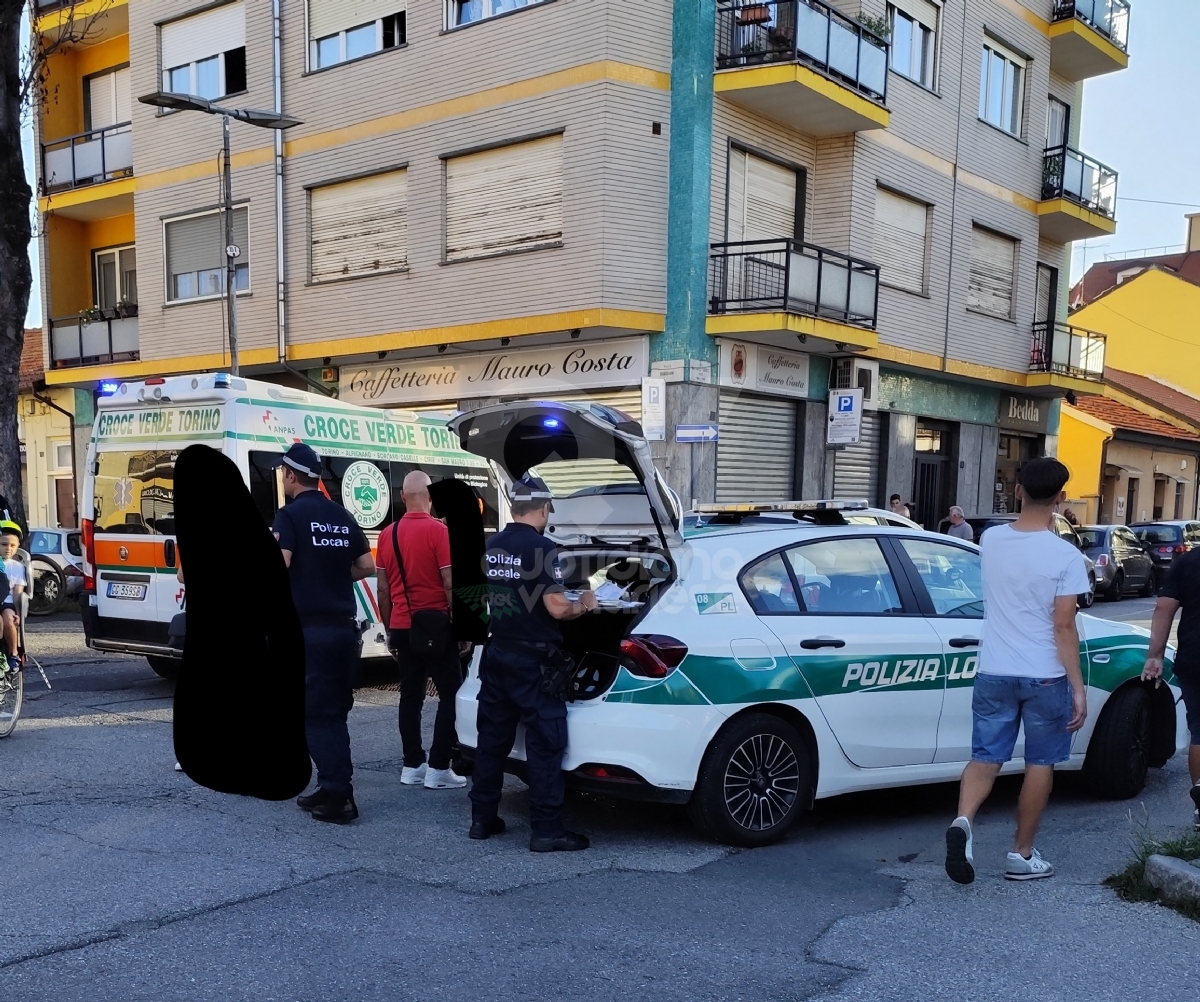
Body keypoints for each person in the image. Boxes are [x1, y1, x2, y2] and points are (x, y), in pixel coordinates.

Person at [944, 457, 1089, 884]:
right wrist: (1078, 688)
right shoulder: (1066, 556)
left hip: (994, 670)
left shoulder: (991, 539)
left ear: (1019, 491)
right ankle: (1020, 854)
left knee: (985, 757)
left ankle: (964, 822)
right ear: (1061, 498)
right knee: (1041, 762)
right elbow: (1063, 626)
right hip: (1045, 674)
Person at [468, 474, 598, 852]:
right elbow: (557, 608)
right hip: (534, 662)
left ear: (512, 507)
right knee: (545, 744)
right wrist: (584, 605)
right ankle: (546, 830)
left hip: (498, 653)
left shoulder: (491, 546)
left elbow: (482, 598)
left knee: (492, 740)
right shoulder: (544, 549)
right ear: (543, 509)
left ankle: (482, 818)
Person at [272, 443, 375, 823]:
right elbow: (366, 565)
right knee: (332, 712)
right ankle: (331, 785)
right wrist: (332, 577)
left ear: (292, 475)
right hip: (343, 632)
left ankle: (339, 796)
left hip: (308, 633)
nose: (283, 478)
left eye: (284, 473)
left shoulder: (290, 516)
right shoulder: (340, 514)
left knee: (316, 716)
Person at [377, 470, 467, 791]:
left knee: (410, 695)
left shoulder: (387, 535)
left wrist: (389, 629)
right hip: (436, 628)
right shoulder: (439, 532)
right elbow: (449, 584)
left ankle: (412, 764)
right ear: (431, 497)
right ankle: (439, 766)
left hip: (402, 626)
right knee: (452, 694)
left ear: (402, 497)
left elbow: (384, 591)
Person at [1142, 547, 1200, 830]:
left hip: (1195, 659)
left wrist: (1155, 655)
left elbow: (1163, 608)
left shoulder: (1188, 562)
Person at [0, 523, 27, 674]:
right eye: (4, 544)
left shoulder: (17, 567)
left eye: (12, 545)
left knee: (8, 619)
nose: (8, 548)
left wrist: (18, 612)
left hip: (7, 603)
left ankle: (14, 653)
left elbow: (17, 593)